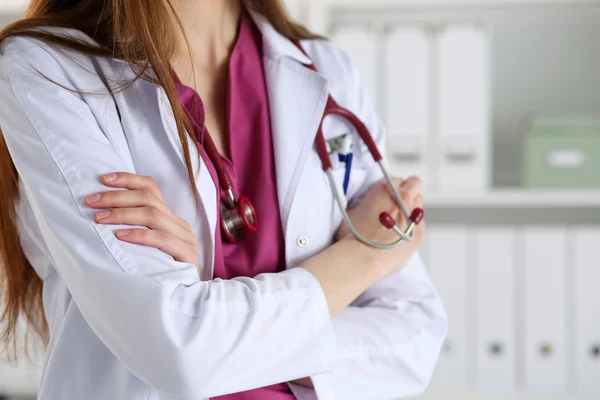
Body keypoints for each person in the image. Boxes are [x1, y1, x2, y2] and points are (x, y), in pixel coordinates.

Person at [0, 0, 447, 399]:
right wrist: (364, 256)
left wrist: (215, 320)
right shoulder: (48, 69)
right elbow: (181, 349)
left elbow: (415, 336)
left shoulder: (326, 68)